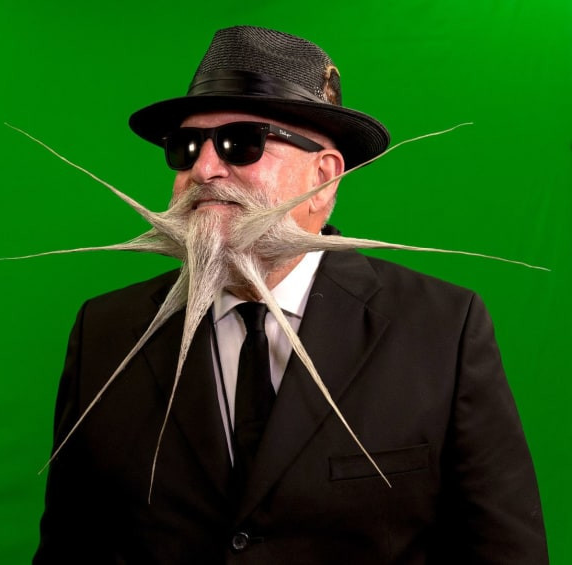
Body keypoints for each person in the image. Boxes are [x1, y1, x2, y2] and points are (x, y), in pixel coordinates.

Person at [33, 26, 548, 564]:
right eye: (185, 148)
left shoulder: (442, 329)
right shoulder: (105, 332)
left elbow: (506, 551)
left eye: (241, 142)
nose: (203, 169)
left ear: (323, 177)